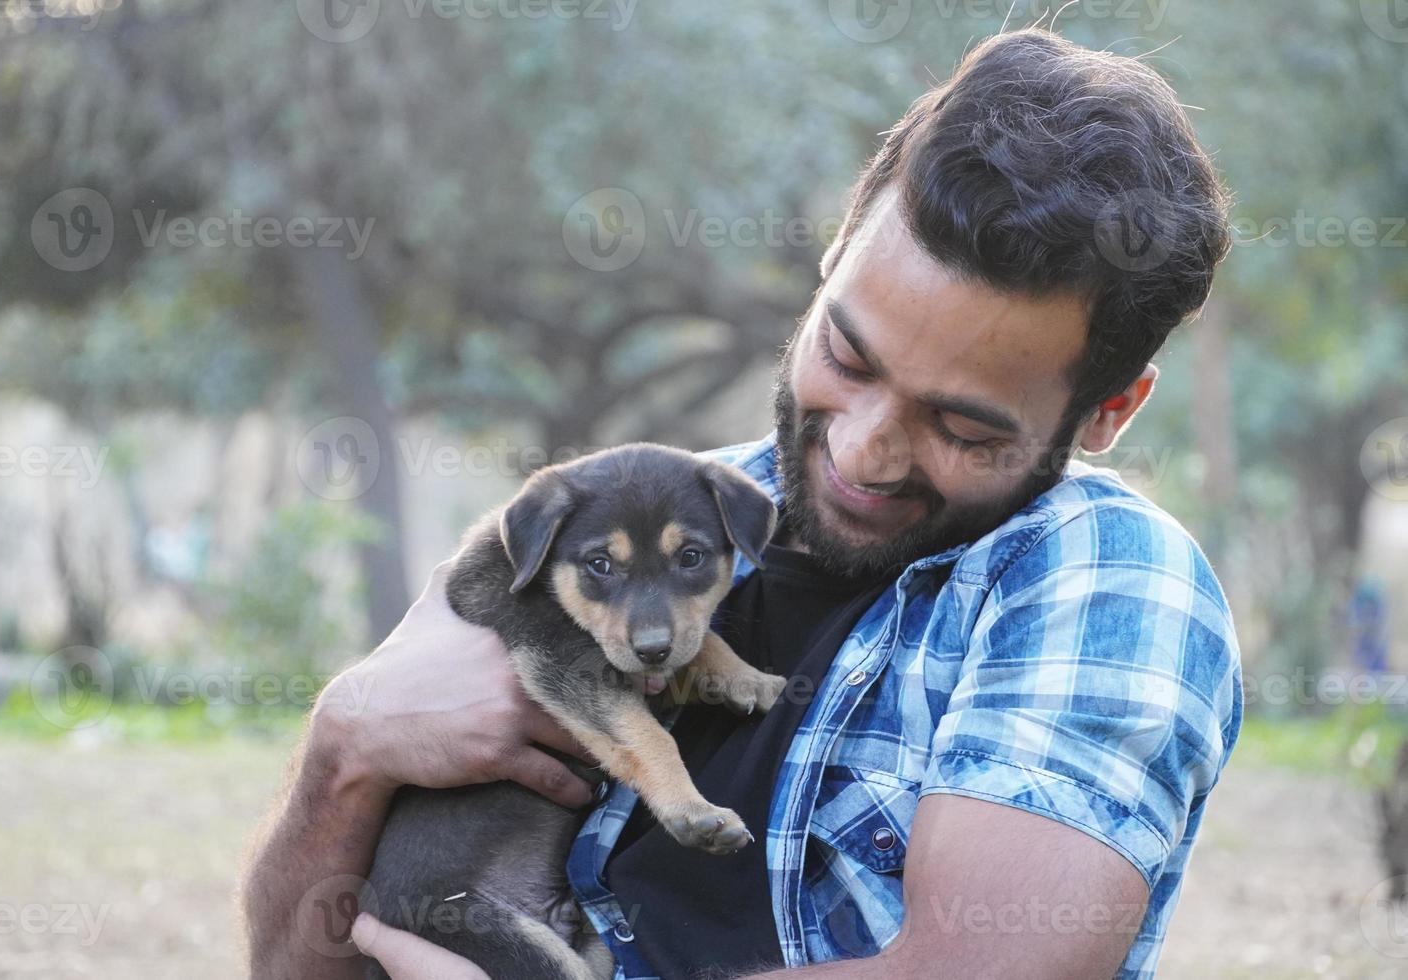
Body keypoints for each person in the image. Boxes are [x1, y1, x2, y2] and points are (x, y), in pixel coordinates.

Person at [242, 27, 1241, 980]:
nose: (861, 449)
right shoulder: (653, 511)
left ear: (1107, 412)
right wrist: (345, 748)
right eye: (847, 356)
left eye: (963, 427)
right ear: (841, 240)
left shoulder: (1103, 579)